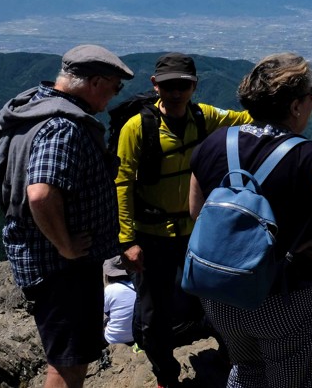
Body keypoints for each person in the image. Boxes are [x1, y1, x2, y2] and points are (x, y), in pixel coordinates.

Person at [188, 52, 312, 388]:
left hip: (220, 293)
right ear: (294, 106)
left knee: (245, 369)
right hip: (282, 298)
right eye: (311, 97)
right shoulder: (309, 157)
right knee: (289, 379)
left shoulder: (214, 143)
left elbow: (196, 211)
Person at [0, 45, 134, 388]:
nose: (114, 97)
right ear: (97, 82)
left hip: (44, 261)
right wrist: (67, 245)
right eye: (115, 88)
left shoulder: (32, 108)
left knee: (65, 356)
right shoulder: (63, 126)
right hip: (63, 268)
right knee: (69, 363)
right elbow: (40, 193)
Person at [114, 52, 253, 388]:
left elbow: (249, 118)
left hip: (196, 230)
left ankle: (230, 353)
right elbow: (122, 183)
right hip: (151, 234)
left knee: (216, 298)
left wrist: (295, 104)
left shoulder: (204, 117)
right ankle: (166, 375)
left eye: (183, 85)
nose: (176, 92)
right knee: (153, 314)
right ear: (155, 85)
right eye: (169, 85)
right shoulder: (137, 127)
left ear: (194, 85)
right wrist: (127, 240)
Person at [103, 257, 136, 346]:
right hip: (139, 333)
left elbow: (107, 312)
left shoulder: (109, 290)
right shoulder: (138, 285)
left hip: (113, 338)